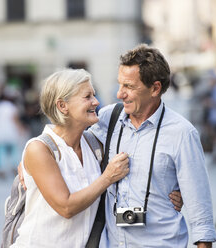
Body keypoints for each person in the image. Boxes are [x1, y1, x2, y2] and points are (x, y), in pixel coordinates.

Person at [13, 69, 183, 248]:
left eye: (94, 95)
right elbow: (66, 207)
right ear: (63, 106)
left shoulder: (94, 144)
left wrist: (170, 191)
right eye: (87, 97)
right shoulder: (39, 149)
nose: (96, 101)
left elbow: (140, 158)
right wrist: (107, 177)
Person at [89, 44, 216, 247]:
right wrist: (33, 157)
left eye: (129, 87)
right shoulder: (108, 118)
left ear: (155, 88)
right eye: (120, 85)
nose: (119, 94)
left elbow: (201, 216)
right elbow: (68, 143)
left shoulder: (182, 133)